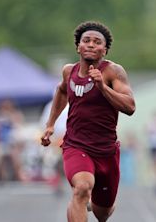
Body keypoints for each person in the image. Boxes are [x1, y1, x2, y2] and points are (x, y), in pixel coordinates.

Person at [40, 21, 136, 222]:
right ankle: (81, 200)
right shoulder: (69, 71)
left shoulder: (113, 72)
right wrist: (50, 124)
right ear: (78, 47)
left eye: (97, 42)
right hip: (76, 145)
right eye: (86, 41)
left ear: (105, 50)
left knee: (103, 213)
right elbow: (61, 91)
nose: (91, 44)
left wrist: (102, 86)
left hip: (106, 151)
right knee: (82, 188)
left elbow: (130, 107)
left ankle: (87, 204)